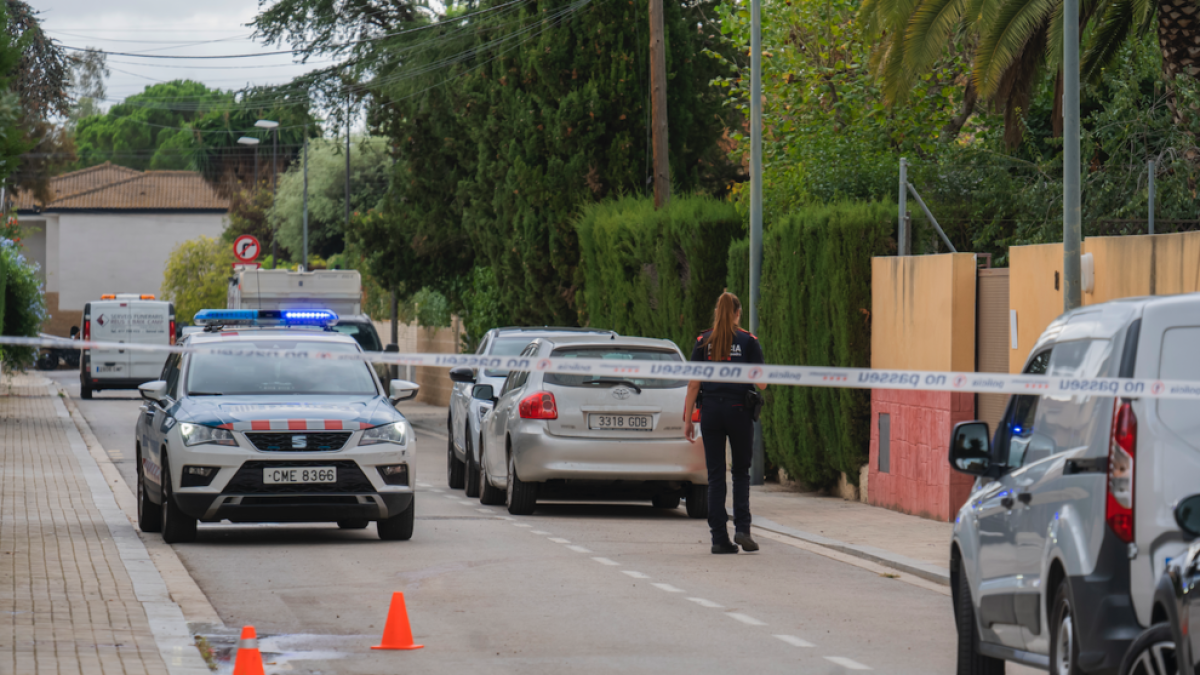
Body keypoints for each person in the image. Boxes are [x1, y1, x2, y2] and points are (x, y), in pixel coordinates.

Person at [683, 291, 767, 554]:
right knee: (741, 471)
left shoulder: (702, 342)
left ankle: (719, 538)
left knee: (716, 475)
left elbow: (694, 384)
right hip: (739, 410)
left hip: (710, 412)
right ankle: (742, 529)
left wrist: (688, 419)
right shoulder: (748, 341)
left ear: (718, 313)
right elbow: (762, 382)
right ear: (738, 314)